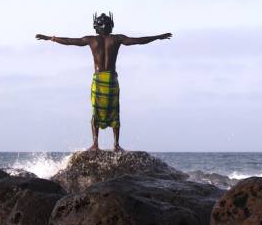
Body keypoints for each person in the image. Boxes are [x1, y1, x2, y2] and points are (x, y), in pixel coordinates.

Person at [36, 12, 172, 151]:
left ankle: (96, 144)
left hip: (99, 79)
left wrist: (50, 38)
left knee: (96, 111)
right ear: (111, 25)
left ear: (96, 26)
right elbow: (138, 40)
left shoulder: (91, 40)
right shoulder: (117, 39)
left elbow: (70, 41)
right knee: (114, 111)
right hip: (111, 79)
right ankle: (116, 145)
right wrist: (158, 37)